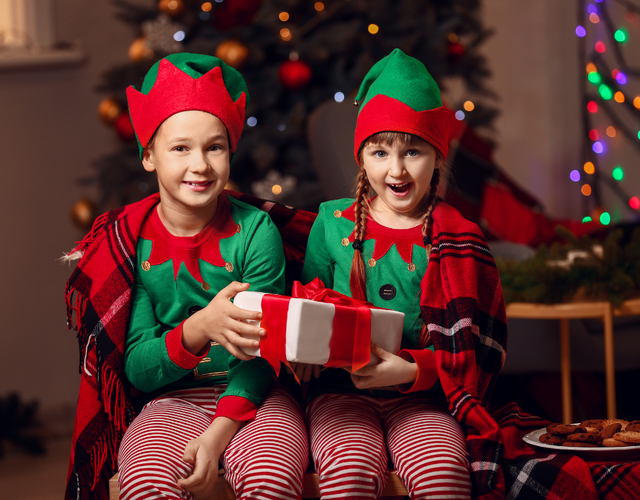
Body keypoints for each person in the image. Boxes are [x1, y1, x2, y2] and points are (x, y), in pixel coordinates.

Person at [63, 53, 308, 500]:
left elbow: (265, 355)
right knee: (145, 479)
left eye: (215, 147)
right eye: (180, 148)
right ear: (148, 157)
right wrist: (198, 328)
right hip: (168, 400)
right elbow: (136, 368)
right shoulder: (128, 244)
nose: (200, 165)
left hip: (256, 393)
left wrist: (218, 435)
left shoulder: (255, 232)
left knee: (271, 475)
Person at [297, 48, 507, 499]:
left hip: (424, 398)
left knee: (444, 471)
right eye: (379, 152)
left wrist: (412, 370)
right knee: (347, 471)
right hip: (340, 394)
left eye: (413, 151)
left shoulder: (459, 238)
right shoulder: (331, 223)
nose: (396, 169)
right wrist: (303, 347)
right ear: (362, 158)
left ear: (437, 156)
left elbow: (475, 354)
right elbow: (304, 303)